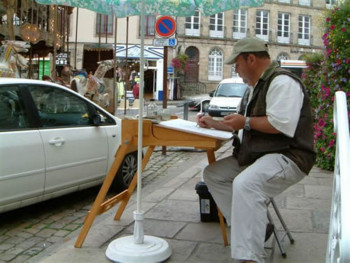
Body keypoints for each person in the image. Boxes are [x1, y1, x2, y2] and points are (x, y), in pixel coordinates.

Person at [197, 37, 315, 263]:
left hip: (290, 156)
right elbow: (243, 124)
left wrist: (246, 122)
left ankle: (250, 257)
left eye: (237, 64)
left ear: (251, 59)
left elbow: (280, 125)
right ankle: (255, 230)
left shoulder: (282, 82)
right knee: (213, 175)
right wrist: (214, 123)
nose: (236, 69)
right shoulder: (255, 86)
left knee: (246, 184)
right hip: (260, 155)